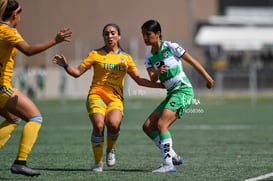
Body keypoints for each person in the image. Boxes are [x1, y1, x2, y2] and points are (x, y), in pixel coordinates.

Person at [52, 23, 164, 172]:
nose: (109, 36)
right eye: (106, 34)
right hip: (96, 95)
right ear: (103, 37)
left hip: (115, 99)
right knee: (99, 125)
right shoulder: (95, 54)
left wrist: (161, 86)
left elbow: (139, 80)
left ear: (119, 36)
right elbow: (77, 73)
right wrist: (66, 65)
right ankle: (98, 163)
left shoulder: (126, 58)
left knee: (113, 124)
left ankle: (110, 149)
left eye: (112, 33)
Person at [0, 0, 72, 177]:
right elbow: (28, 50)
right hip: (2, 87)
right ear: (15, 15)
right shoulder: (8, 32)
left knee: (13, 118)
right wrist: (55, 40)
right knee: (35, 117)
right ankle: (20, 162)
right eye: (20, 16)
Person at [141, 20, 214, 172]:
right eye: (143, 35)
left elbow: (192, 61)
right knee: (148, 126)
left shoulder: (170, 46)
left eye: (148, 34)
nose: (145, 38)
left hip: (183, 90)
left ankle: (168, 165)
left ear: (158, 34)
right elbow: (153, 78)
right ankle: (173, 156)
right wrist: (157, 72)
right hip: (171, 93)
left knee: (162, 125)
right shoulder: (149, 58)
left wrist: (208, 78)